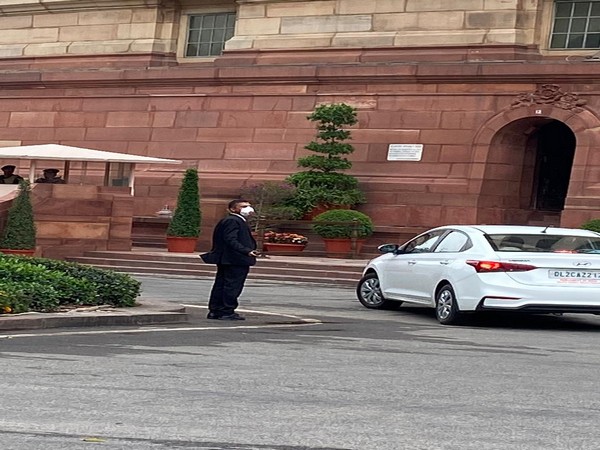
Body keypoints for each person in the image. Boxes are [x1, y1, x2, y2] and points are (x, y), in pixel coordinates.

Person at [205, 199, 259, 321]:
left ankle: (216, 310)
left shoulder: (235, 221)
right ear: (233, 209)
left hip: (229, 259)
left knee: (222, 284)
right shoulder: (233, 221)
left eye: (249, 206)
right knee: (232, 285)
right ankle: (226, 310)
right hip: (234, 259)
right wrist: (246, 250)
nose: (248, 208)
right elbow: (231, 239)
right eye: (243, 206)